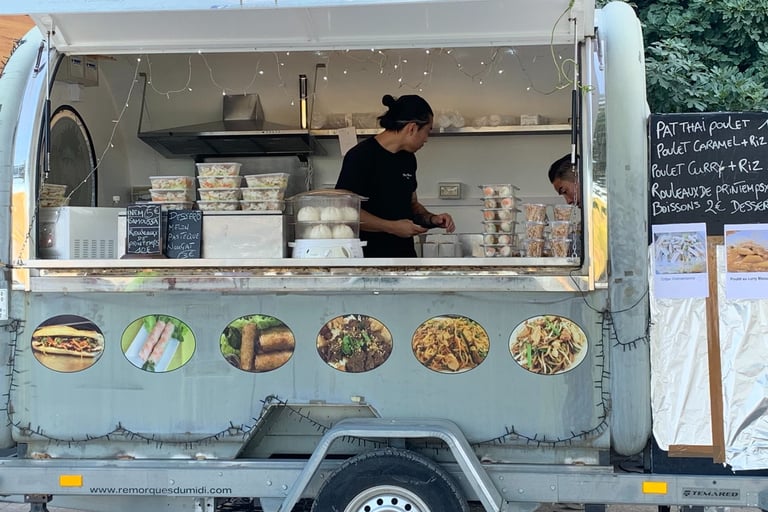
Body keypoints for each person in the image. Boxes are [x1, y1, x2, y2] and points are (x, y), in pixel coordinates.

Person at [335, 94, 455, 257]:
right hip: (368, 260)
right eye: (427, 131)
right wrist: (392, 227)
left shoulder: (408, 159)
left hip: (405, 259)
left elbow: (412, 205)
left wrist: (432, 219)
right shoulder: (361, 156)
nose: (426, 139)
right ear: (412, 128)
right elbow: (345, 212)